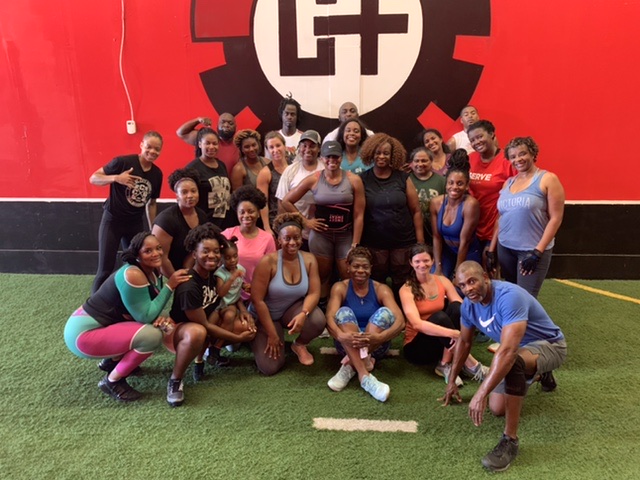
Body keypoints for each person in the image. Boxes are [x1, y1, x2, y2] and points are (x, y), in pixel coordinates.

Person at [441, 261, 567, 472]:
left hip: (550, 345)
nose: (468, 289)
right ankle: (538, 373)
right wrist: (451, 380)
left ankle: (510, 440)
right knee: (497, 408)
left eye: (472, 281)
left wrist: (480, 393)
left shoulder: (509, 296)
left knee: (513, 362)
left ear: (485, 277)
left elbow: (508, 352)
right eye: (462, 285)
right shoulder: (468, 306)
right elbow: (464, 342)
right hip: (519, 351)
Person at [64, 232, 191, 402]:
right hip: (82, 335)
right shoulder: (133, 274)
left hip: (100, 325)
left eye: (159, 248)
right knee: (152, 335)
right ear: (137, 255)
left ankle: (112, 361)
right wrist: (170, 286)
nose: (156, 253)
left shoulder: (153, 271)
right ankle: (112, 381)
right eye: (148, 251)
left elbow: (145, 309)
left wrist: (156, 317)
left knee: (159, 324)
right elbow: (145, 315)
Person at [167, 223, 257, 406]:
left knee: (246, 326)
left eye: (216, 251)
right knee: (198, 332)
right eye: (205, 251)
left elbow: (227, 298)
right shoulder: (189, 285)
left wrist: (243, 311)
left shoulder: (212, 274)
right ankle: (175, 380)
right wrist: (238, 338)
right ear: (194, 254)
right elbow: (205, 326)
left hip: (206, 322)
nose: (212, 255)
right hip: (178, 331)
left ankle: (208, 354)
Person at [281, 140, 365, 304]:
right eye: (328, 157)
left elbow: (359, 214)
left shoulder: (354, 180)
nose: (331, 160)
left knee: (348, 274)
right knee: (322, 275)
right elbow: (286, 201)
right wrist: (306, 222)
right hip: (321, 237)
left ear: (341, 158)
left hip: (345, 236)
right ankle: (322, 311)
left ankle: (347, 309)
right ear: (322, 158)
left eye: (335, 157)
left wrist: (355, 243)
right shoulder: (314, 179)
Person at [400, 244, 488, 387]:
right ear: (411, 263)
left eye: (426, 260)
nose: (422, 265)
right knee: (439, 317)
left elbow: (462, 307)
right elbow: (417, 324)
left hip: (442, 342)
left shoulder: (442, 281)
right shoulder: (406, 289)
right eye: (417, 261)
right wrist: (454, 333)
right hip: (417, 348)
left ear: (433, 261)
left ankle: (444, 363)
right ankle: (472, 364)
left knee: (457, 308)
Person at [249, 213, 326, 375]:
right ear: (279, 240)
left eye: (296, 237)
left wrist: (304, 314)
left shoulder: (309, 259)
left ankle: (298, 344)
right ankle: (257, 337)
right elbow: (257, 300)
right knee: (270, 367)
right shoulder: (267, 262)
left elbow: (314, 293)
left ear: (301, 238)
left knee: (317, 320)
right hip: (264, 316)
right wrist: (272, 333)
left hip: (288, 311)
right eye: (287, 238)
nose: (292, 242)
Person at [487, 137, 565, 298]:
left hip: (531, 250)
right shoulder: (508, 183)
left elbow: (556, 218)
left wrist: (538, 252)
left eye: (522, 154)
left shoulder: (548, 179)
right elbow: (500, 218)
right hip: (505, 248)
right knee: (512, 295)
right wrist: (491, 250)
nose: (518, 159)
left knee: (525, 298)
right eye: (513, 156)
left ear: (532, 154)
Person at [325, 246, 405, 402]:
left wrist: (381, 337)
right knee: (343, 312)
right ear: (348, 267)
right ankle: (364, 375)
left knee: (385, 313)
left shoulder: (382, 289)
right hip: (347, 344)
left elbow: (400, 321)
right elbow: (329, 317)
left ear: (371, 268)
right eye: (356, 266)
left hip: (375, 345)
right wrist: (340, 335)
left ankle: (350, 365)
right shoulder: (340, 287)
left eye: (365, 267)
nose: (360, 270)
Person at [89, 131, 164, 294]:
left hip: (135, 223)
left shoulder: (157, 174)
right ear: (141, 145)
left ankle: (135, 301)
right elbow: (94, 178)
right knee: (105, 269)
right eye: (149, 147)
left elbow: (151, 204)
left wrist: (152, 231)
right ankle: (93, 305)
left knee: (137, 266)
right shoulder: (123, 162)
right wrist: (116, 178)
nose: (152, 151)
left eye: (156, 149)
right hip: (113, 221)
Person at [359, 133, 424, 298]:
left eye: (386, 153)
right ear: (371, 153)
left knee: (403, 284)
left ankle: (404, 312)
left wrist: (420, 242)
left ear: (393, 155)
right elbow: (358, 213)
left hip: (403, 242)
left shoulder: (403, 178)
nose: (381, 156)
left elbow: (416, 210)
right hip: (374, 243)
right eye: (378, 152)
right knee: (377, 284)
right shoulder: (363, 179)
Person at [467, 120, 516, 259]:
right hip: (473, 227)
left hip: (496, 227)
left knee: (490, 266)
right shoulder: (470, 159)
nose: (476, 142)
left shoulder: (507, 161)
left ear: (492, 134)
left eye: (479, 137)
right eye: (472, 140)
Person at [430, 150, 482, 279]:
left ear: (467, 186)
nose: (454, 187)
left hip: (468, 251)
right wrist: (438, 266)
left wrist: (457, 273)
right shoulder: (436, 203)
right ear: (446, 183)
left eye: (460, 183)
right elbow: (436, 237)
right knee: (436, 279)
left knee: (462, 284)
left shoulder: (471, 205)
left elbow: (465, 242)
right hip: (447, 251)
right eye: (451, 182)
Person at [222, 185, 277, 301]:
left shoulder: (267, 238)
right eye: (242, 212)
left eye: (251, 211)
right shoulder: (227, 234)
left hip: (257, 294)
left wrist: (258, 289)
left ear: (258, 213)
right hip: (229, 295)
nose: (246, 216)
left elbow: (271, 270)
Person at [152, 168, 208, 277]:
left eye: (193, 191)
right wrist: (176, 280)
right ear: (177, 196)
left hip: (189, 272)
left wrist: (189, 273)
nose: (190, 195)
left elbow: (196, 249)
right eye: (184, 192)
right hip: (166, 274)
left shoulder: (202, 216)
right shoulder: (166, 220)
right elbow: (161, 258)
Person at [275, 130, 325, 246]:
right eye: (304, 145)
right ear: (299, 148)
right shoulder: (290, 170)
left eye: (312, 146)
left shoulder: (325, 168)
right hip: (296, 231)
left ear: (319, 149)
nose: (307, 149)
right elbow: (281, 202)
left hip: (321, 231)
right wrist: (282, 229)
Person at [185, 127, 232, 229]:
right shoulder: (192, 168)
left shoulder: (222, 165)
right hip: (203, 225)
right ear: (200, 144)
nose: (211, 147)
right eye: (207, 143)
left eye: (214, 143)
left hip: (224, 224)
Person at [407, 146, 446, 244]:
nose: (420, 164)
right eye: (416, 161)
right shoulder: (406, 180)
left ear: (431, 161)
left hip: (435, 232)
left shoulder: (442, 181)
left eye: (424, 161)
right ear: (412, 163)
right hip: (411, 233)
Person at [257, 131, 292, 235]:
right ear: (267, 150)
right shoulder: (265, 173)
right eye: (271, 147)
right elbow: (263, 203)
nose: (275, 150)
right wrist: (267, 227)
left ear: (284, 146)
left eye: (278, 145)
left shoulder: (294, 167)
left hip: (295, 219)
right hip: (276, 223)